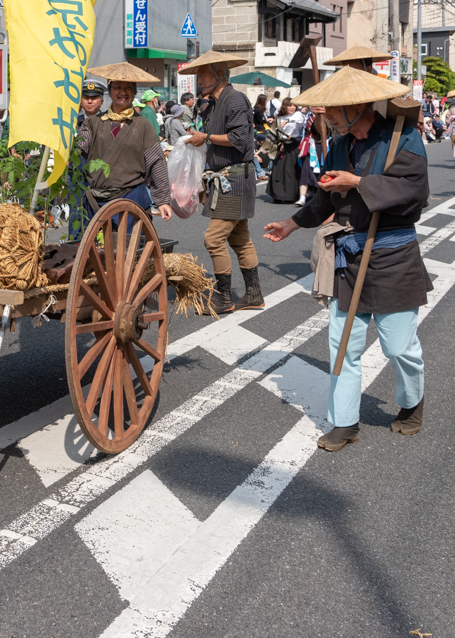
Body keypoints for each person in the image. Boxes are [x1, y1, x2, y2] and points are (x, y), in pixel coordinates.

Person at [264, 67, 427, 452]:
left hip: (393, 255)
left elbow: (416, 192)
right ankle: (345, 422)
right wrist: (292, 223)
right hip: (350, 256)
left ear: (358, 106)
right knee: (343, 344)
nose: (329, 116)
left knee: (399, 346)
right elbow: (323, 197)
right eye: (327, 111)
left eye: (336, 109)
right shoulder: (337, 145)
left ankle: (411, 402)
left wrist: (358, 184)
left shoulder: (402, 138)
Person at [181, 50, 263, 314]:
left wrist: (205, 137)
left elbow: (240, 140)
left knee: (213, 239)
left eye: (203, 74)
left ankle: (224, 298)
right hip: (227, 179)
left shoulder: (235, 99)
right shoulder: (213, 104)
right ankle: (254, 295)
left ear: (219, 74)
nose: (199, 80)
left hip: (235, 179)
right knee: (240, 239)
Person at [73, 62, 173, 239]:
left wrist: (163, 200)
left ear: (134, 93)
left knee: (130, 254)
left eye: (128, 88)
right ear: (110, 92)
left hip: (131, 197)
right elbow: (77, 149)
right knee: (95, 256)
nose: (123, 92)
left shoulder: (143, 125)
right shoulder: (93, 123)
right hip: (96, 199)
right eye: (118, 87)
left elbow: (156, 162)